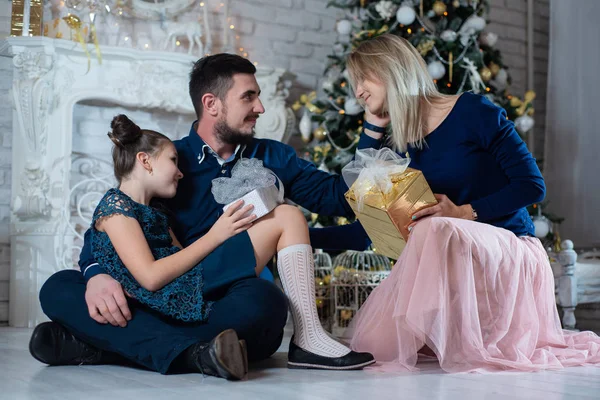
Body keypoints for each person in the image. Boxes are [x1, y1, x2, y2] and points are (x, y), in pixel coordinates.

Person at [29, 54, 374, 378]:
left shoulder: (274, 156)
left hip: (224, 294)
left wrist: (372, 131)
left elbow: (338, 199)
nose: (260, 107)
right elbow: (111, 223)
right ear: (212, 104)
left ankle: (102, 345)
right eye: (248, 97)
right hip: (161, 290)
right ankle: (198, 353)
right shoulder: (168, 161)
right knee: (60, 287)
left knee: (265, 304)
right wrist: (95, 274)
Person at [344, 34, 600, 372]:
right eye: (353, 84)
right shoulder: (405, 141)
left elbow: (533, 186)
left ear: (390, 69)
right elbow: (366, 200)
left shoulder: (473, 111)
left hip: (508, 248)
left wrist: (464, 212)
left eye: (362, 79)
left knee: (434, 226)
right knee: (374, 347)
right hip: (454, 258)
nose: (357, 91)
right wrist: (373, 127)